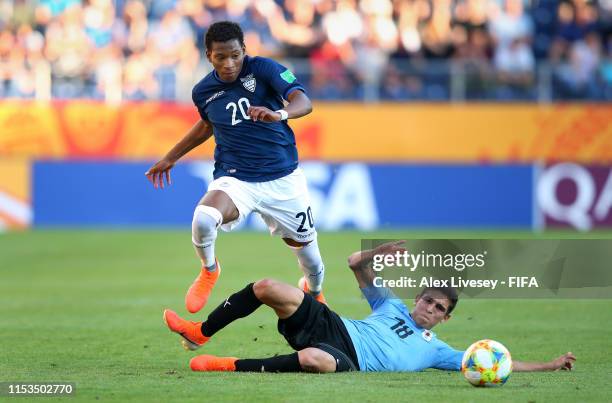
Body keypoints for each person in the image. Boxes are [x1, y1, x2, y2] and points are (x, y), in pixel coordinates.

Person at [163, 241, 577, 373]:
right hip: (337, 325)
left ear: (446, 318)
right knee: (268, 286)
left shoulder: (437, 350)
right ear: (418, 299)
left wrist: (549, 365)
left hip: (346, 358)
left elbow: (495, 362)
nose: (429, 309)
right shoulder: (391, 306)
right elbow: (355, 264)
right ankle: (198, 333)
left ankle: (229, 364)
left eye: (438, 308)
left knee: (312, 360)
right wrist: (379, 252)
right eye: (427, 300)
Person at [145, 21, 326, 314]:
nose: (229, 63)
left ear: (244, 50)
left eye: (235, 55)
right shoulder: (203, 91)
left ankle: (314, 292)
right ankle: (210, 269)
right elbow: (207, 124)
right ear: (209, 56)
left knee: (312, 261)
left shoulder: (265, 69)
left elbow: (303, 102)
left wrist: (278, 114)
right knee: (204, 218)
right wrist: (171, 156)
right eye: (221, 57)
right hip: (235, 178)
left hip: (283, 179)